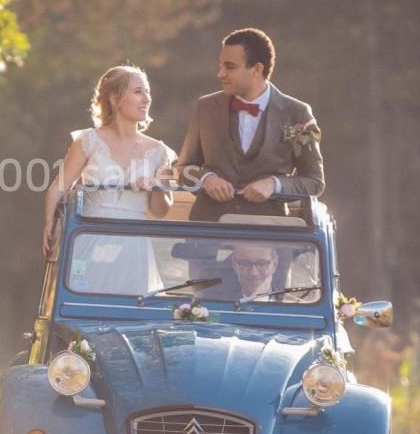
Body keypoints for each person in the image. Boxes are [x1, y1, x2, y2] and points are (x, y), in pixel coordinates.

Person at [170, 28, 324, 222]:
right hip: (208, 235)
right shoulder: (206, 107)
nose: (220, 74)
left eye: (230, 67)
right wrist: (205, 179)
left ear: (257, 69)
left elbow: (314, 182)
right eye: (221, 66)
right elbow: (182, 167)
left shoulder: (298, 114)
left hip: (266, 238)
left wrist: (274, 184)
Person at [42, 66, 175, 292]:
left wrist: (155, 187)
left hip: (134, 245)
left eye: (147, 92)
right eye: (138, 92)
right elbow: (59, 187)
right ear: (114, 99)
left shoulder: (158, 150)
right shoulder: (89, 141)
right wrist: (49, 223)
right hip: (90, 236)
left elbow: (160, 211)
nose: (147, 99)